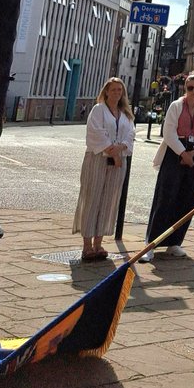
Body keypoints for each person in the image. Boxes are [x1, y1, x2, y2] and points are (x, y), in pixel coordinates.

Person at [140, 72, 194, 262]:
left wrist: (193, 152)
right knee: (166, 197)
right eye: (190, 88)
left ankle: (175, 243)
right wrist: (182, 153)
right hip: (174, 153)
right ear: (185, 88)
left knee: (187, 199)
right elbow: (168, 132)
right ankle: (151, 244)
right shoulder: (175, 106)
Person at [72, 76, 136, 262]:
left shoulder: (125, 113)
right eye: (113, 89)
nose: (117, 92)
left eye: (119, 89)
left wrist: (120, 149)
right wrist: (112, 151)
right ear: (106, 91)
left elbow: (131, 135)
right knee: (92, 198)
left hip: (118, 163)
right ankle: (87, 246)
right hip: (98, 159)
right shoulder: (98, 110)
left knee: (108, 201)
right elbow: (95, 132)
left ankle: (99, 244)